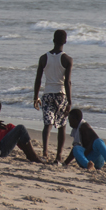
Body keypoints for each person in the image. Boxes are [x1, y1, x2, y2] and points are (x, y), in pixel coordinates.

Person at [33, 29, 72, 164]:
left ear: (53, 40)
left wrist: (35, 96)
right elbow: (67, 82)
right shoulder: (67, 59)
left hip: (47, 94)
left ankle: (45, 152)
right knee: (61, 126)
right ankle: (59, 156)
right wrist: (70, 102)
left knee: (47, 124)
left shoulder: (44, 58)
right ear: (65, 41)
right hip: (61, 95)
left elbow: (38, 79)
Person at [63, 108, 106, 174]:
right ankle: (88, 165)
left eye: (70, 120)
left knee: (99, 141)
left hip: (96, 159)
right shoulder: (76, 130)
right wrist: (65, 163)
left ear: (76, 120)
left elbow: (95, 139)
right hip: (85, 161)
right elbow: (74, 151)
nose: (69, 122)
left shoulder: (84, 126)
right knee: (75, 148)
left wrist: (85, 152)